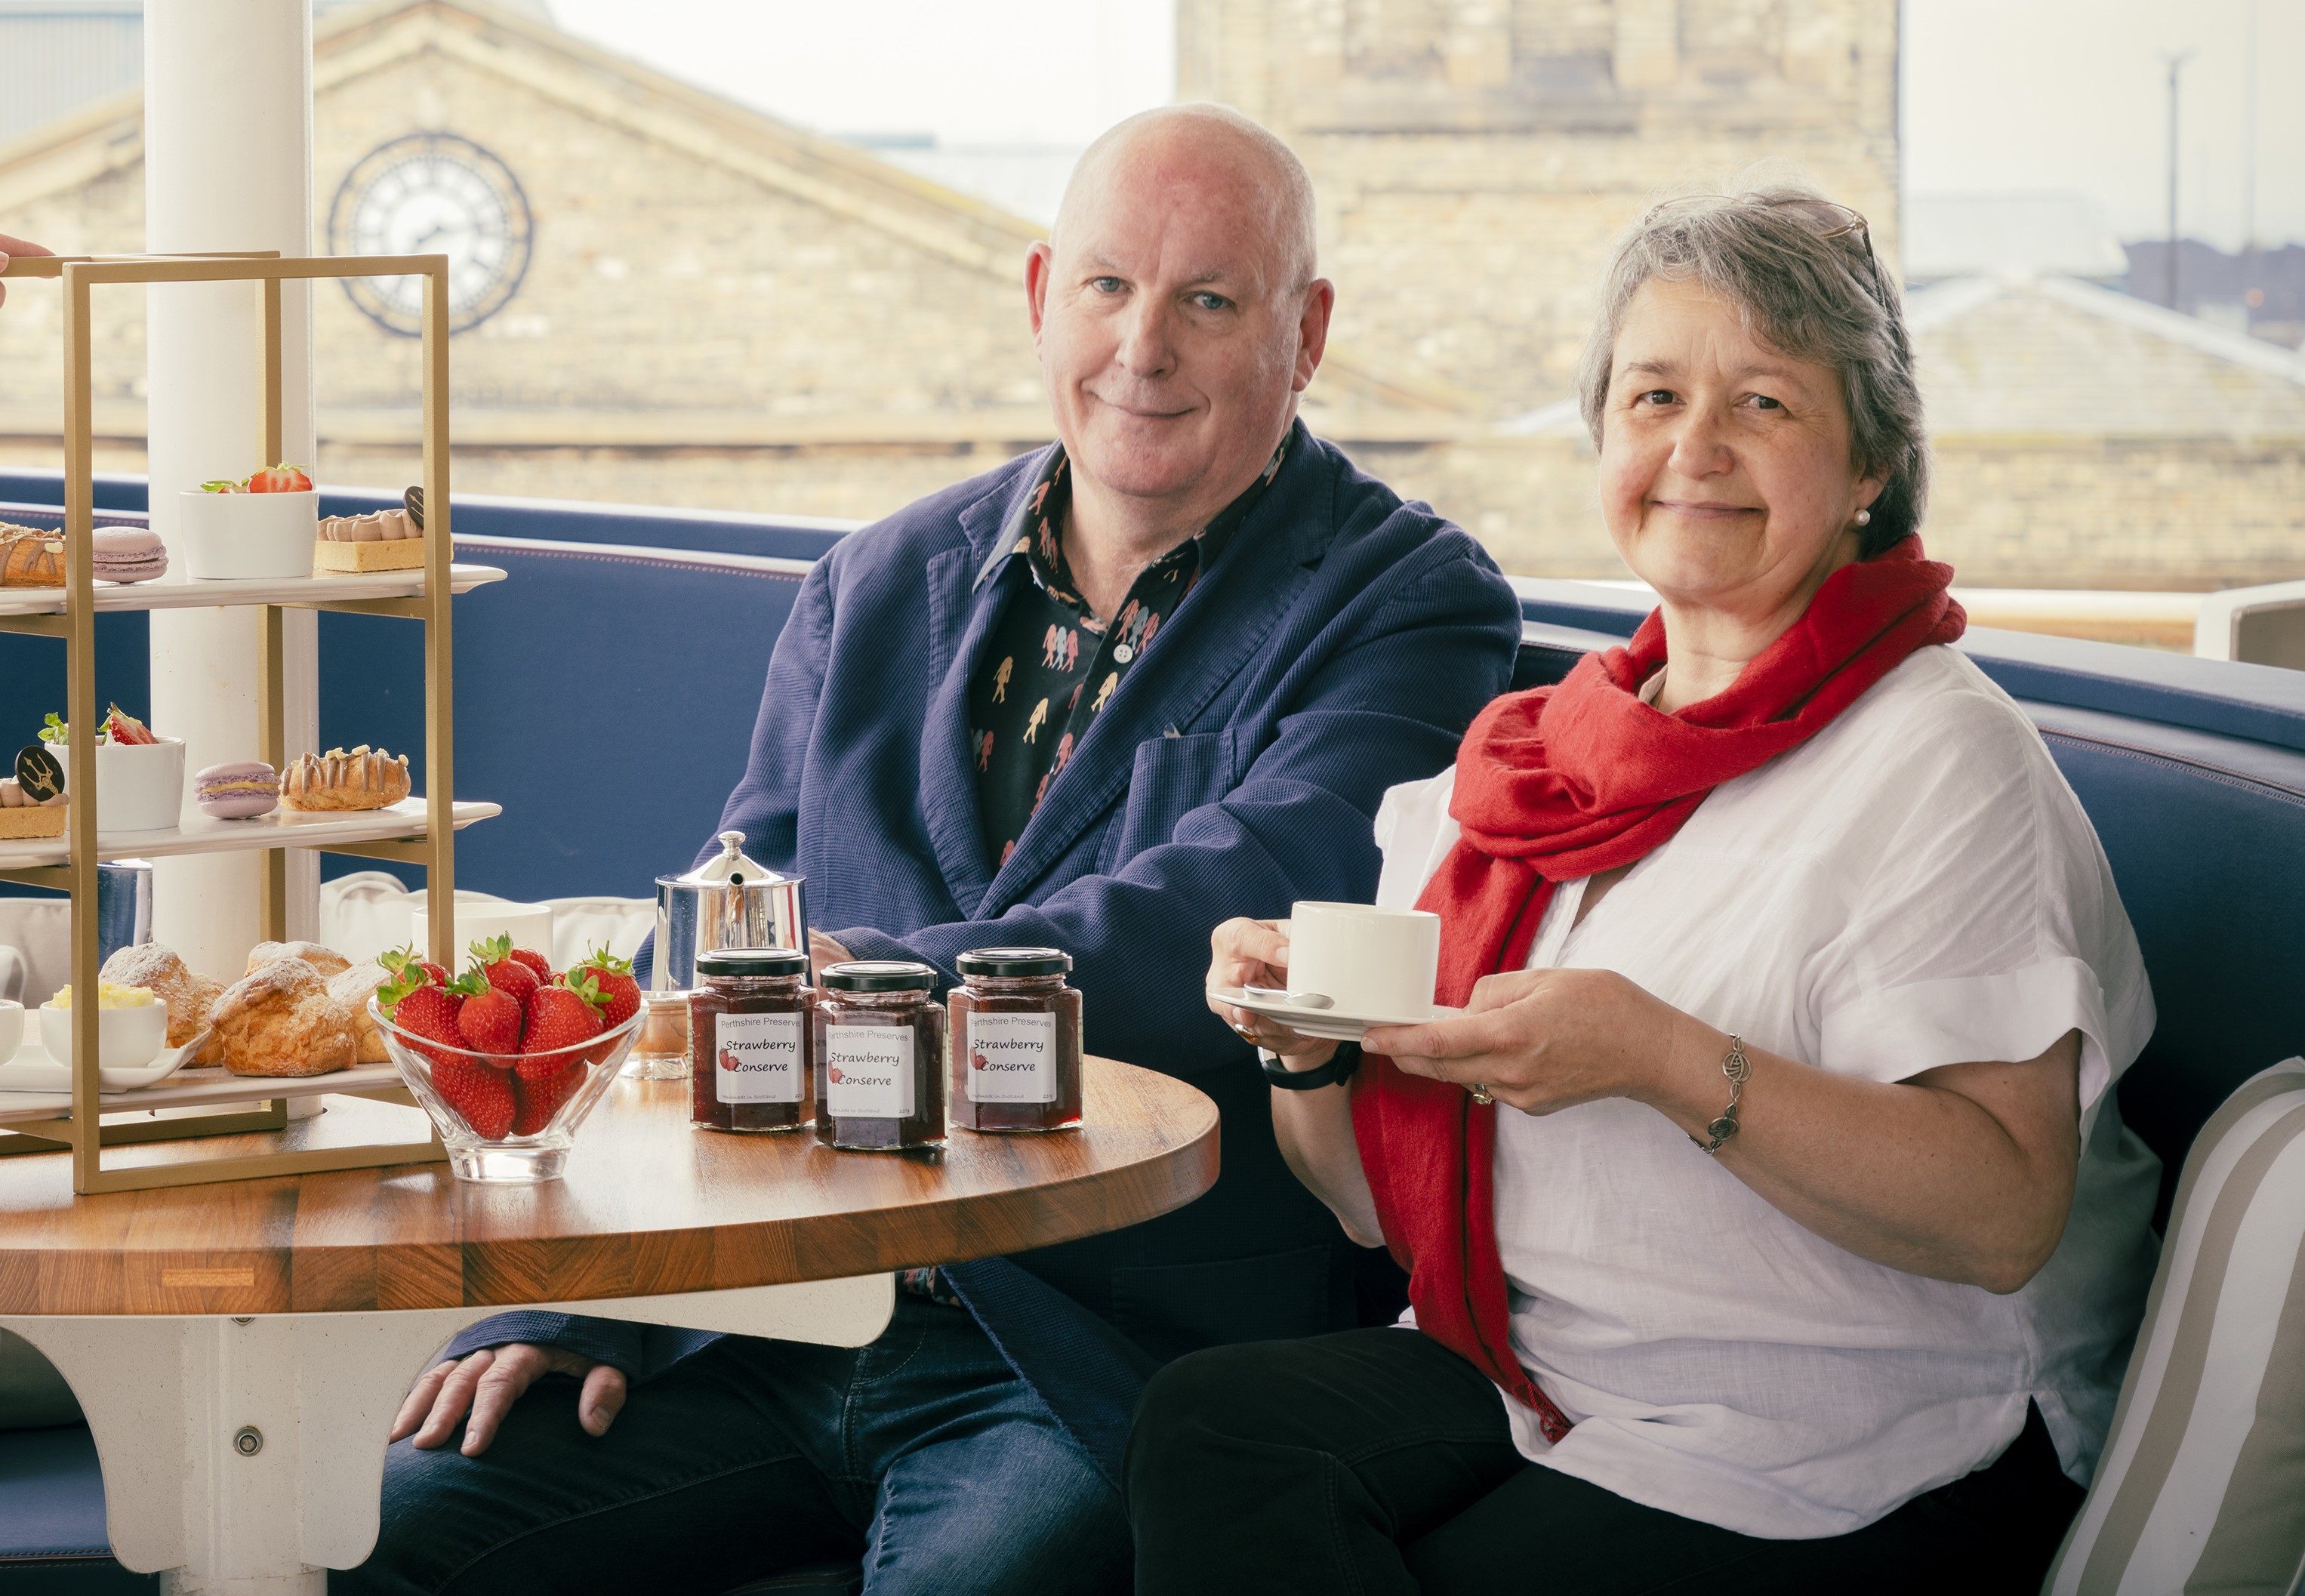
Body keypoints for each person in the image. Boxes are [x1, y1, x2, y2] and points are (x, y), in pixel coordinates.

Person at [341, 106, 1522, 1596]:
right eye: (1106, 287)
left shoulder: (1412, 599)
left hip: (1089, 1352)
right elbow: (719, 945)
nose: (1141, 345)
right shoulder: (872, 581)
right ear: (1042, 299)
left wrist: (869, 976)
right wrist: (574, 1306)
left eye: (1208, 300)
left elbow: (1243, 903)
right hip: (767, 1314)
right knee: (374, 1537)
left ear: (1307, 333)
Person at [1148, 186, 2161, 1594]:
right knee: (1213, 1429)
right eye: (1653, 396)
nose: (1696, 448)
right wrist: (1311, 1052)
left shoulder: (1941, 758)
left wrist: (1664, 1059)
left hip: (1859, 1428)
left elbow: (2000, 1214)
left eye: (1762, 403)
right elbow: (1369, 1208)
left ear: (1869, 460)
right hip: (1539, 1368)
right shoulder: (1525, 761)